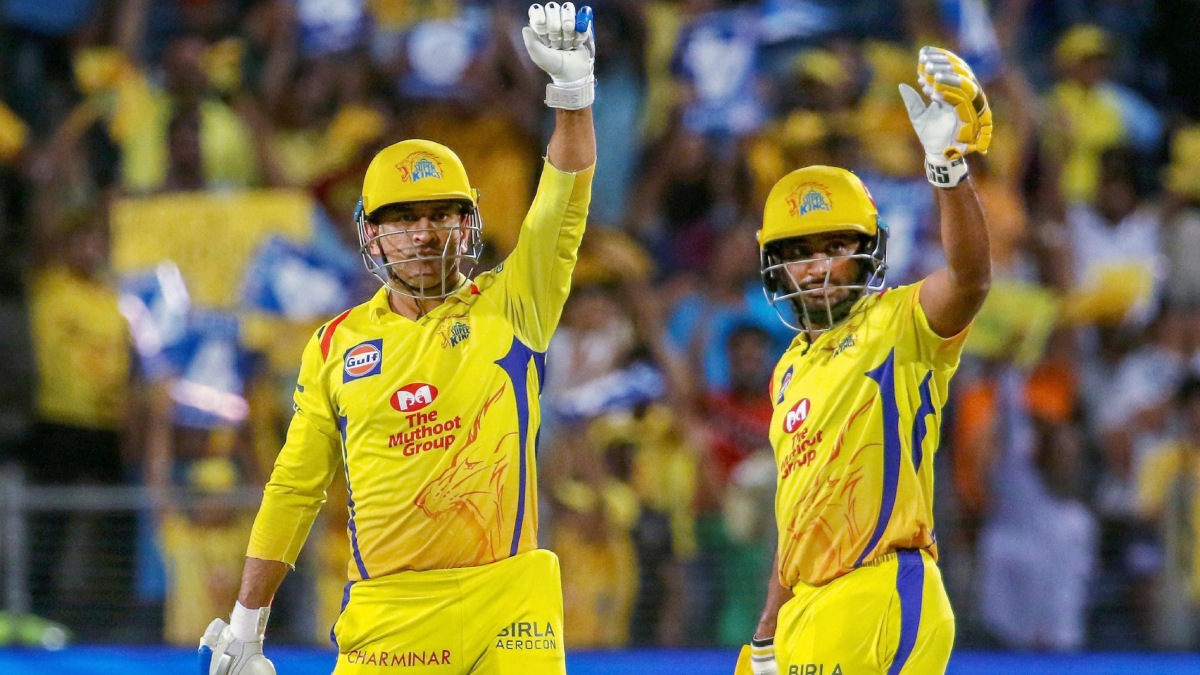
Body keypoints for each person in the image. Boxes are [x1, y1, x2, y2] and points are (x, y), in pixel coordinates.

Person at [197, 3, 597, 673]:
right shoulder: (333, 346)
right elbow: (295, 487)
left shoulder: (514, 301)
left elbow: (565, 196)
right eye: (404, 218)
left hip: (510, 604)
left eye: (443, 214)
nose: (425, 232)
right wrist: (246, 622)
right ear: (371, 235)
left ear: (469, 224)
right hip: (389, 618)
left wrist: (573, 94)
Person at [735, 47, 993, 675]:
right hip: (804, 611)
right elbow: (797, 513)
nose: (818, 267)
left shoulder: (900, 321)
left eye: (836, 246)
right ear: (777, 267)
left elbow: (970, 278)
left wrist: (947, 167)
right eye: (801, 252)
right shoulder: (786, 371)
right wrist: (768, 628)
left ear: (868, 252)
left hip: (879, 589)